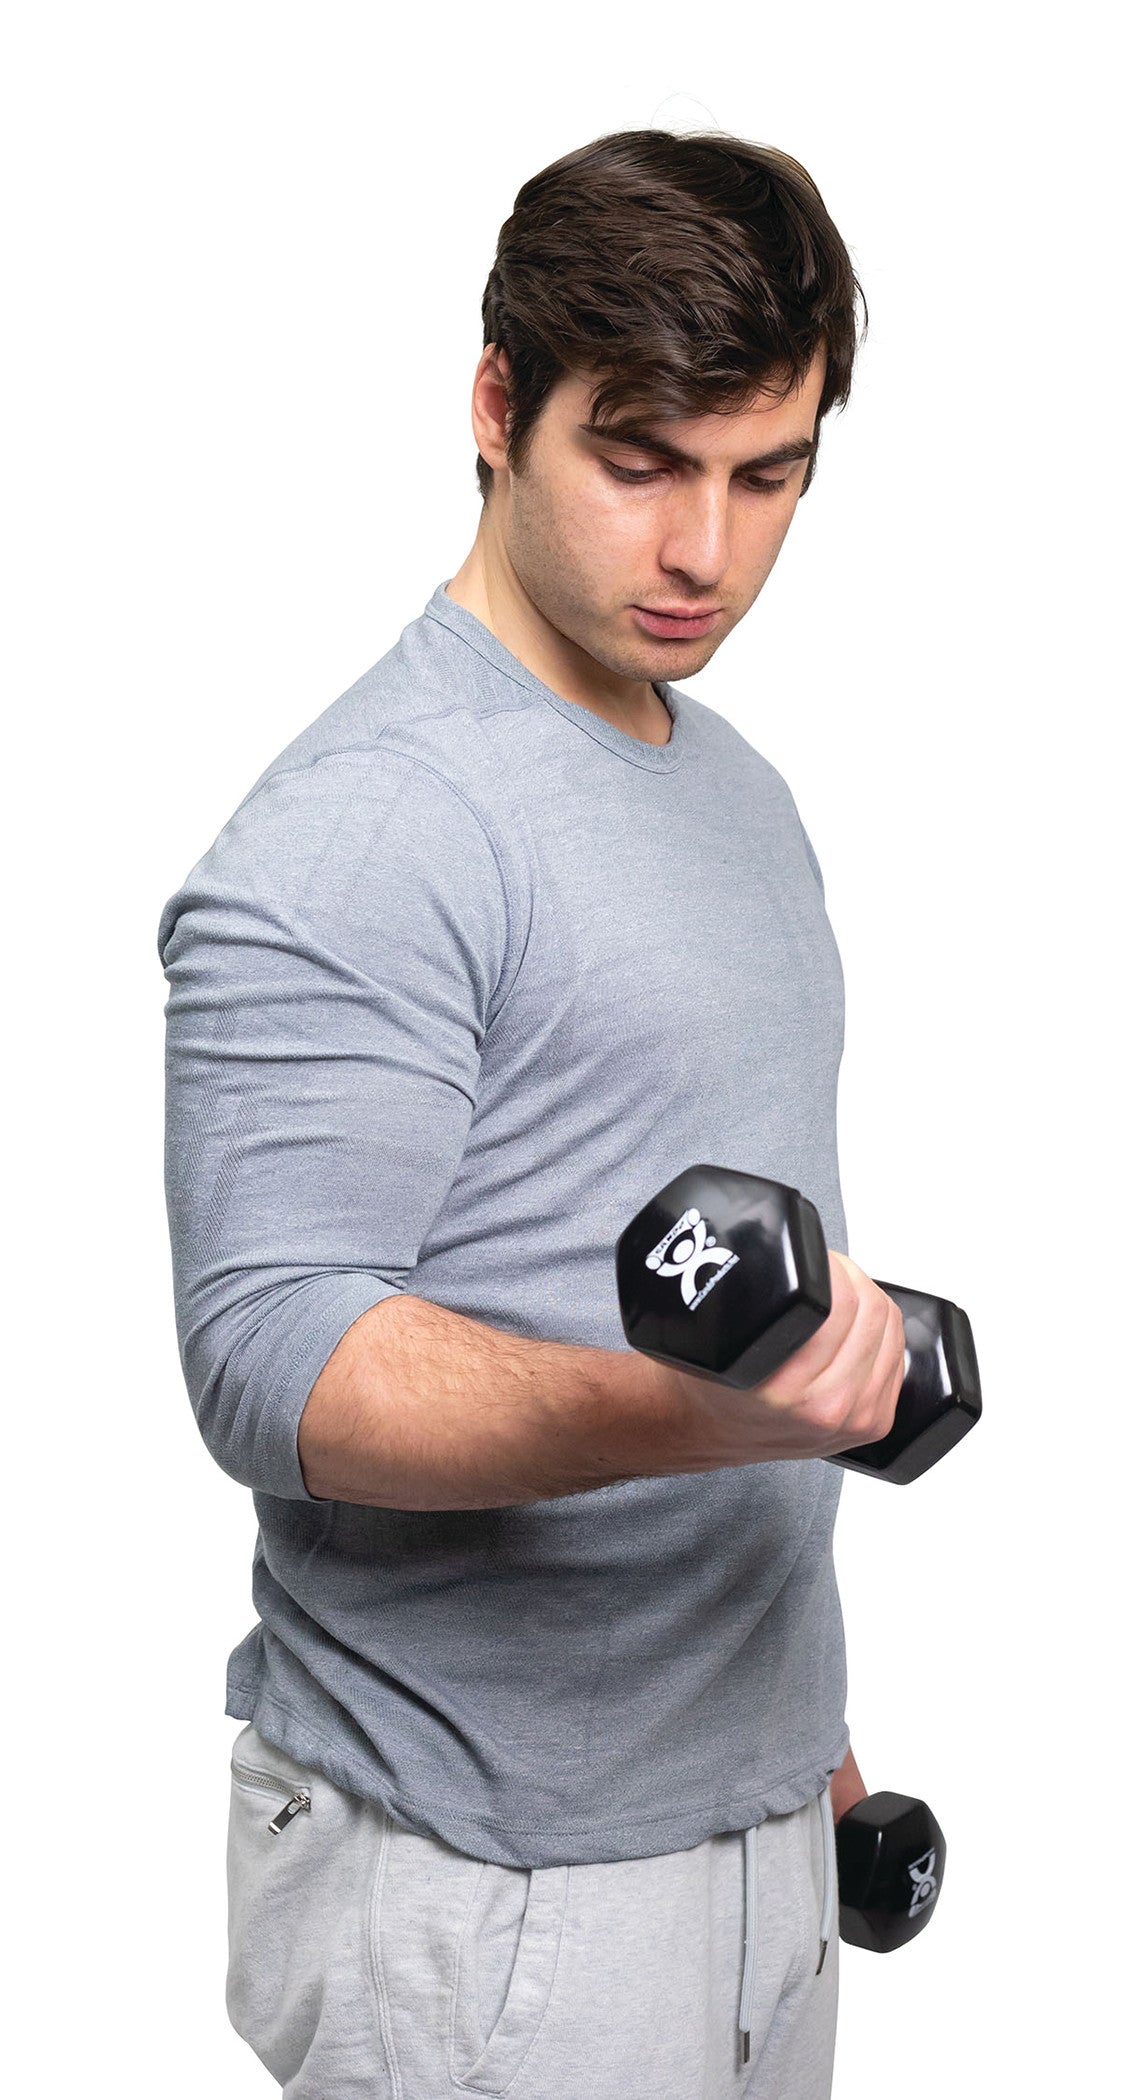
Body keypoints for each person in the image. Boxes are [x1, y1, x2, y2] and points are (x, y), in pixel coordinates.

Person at [158, 127, 907, 2100]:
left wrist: (809, 1749)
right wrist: (704, 1417)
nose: (705, 553)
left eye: (768, 475)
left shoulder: (736, 796)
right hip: (485, 1886)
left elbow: (731, 1286)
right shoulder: (372, 821)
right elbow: (271, 1359)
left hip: (752, 1834)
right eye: (640, 460)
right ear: (497, 408)